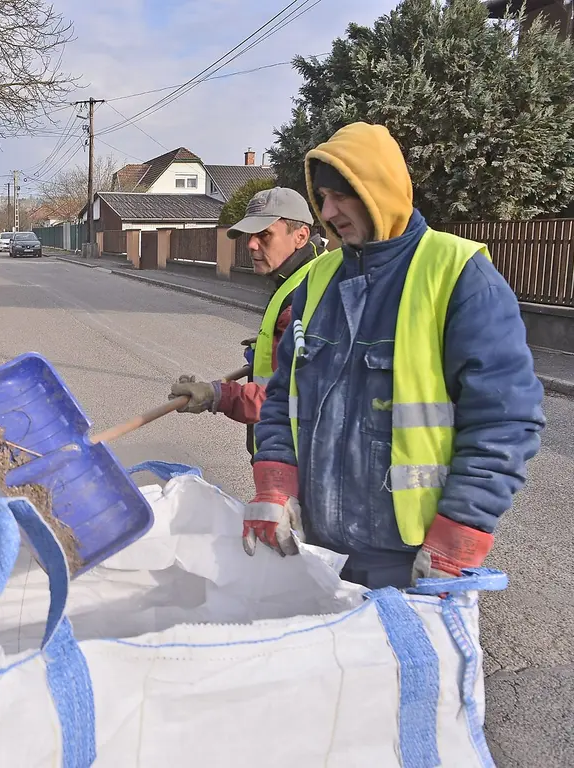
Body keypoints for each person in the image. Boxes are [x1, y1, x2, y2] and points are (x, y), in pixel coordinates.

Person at [242, 122, 545, 589]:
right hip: (318, 548)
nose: (328, 211)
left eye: (342, 195)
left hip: (411, 559)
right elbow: (284, 396)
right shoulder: (317, 282)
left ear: (379, 189)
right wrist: (275, 483)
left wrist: (460, 530)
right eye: (322, 197)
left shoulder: (459, 276)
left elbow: (505, 420)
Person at [169, 187, 326, 454]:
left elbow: (284, 399)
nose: (251, 244)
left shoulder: (305, 296)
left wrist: (215, 395)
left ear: (300, 236)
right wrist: (272, 346)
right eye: (251, 235)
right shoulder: (303, 276)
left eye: (265, 234)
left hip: (294, 462)